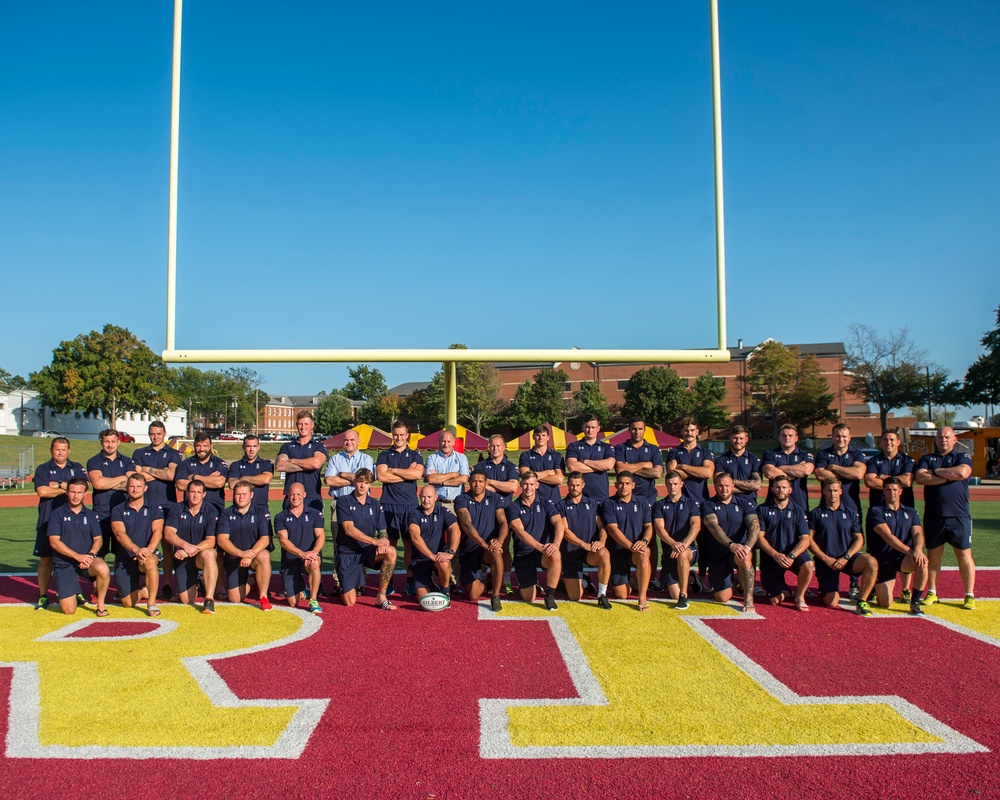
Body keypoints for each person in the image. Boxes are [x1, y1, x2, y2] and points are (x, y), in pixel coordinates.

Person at [914, 426, 976, 609]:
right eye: (940, 437)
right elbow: (920, 477)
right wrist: (948, 475)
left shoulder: (962, 457)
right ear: (936, 439)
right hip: (934, 516)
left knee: (964, 555)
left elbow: (962, 473)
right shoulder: (927, 458)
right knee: (934, 556)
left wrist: (935, 472)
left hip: (959, 515)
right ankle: (932, 592)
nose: (944, 440)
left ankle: (969, 595)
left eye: (947, 437)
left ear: (954, 439)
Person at [808, 479, 877, 616]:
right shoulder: (815, 513)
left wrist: (846, 557)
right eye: (829, 490)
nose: (832, 494)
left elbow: (859, 539)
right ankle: (826, 588)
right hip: (826, 560)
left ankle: (862, 600)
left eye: (835, 490)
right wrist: (825, 558)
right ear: (823, 492)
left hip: (847, 558)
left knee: (871, 562)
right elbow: (808, 539)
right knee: (831, 602)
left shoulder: (851, 513)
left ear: (840, 491)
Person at [132, 420, 183, 600]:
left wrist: (147, 470)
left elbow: (170, 475)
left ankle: (168, 583)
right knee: (144, 546)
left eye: (158, 434)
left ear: (164, 433)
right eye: (152, 433)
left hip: (168, 505)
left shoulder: (173, 453)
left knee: (167, 548)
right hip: (145, 506)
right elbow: (136, 478)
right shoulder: (139, 452)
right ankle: (144, 583)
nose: (155, 437)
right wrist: (157, 472)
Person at [32, 437, 85, 610]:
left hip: (73, 522)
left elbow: (84, 487)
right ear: (51, 450)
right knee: (46, 560)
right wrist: (68, 488)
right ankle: (42, 595)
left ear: (69, 451)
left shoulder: (76, 467)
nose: (60, 452)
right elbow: (42, 491)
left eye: (63, 449)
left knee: (73, 558)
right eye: (57, 449)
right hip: (47, 520)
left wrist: (57, 485)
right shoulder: (43, 468)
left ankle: (75, 591)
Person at [864, 428, 916, 601]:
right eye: (885, 440)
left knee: (906, 546)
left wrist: (883, 477)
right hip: (878, 511)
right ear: (881, 442)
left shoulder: (907, 460)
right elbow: (869, 481)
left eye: (892, 440)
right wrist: (895, 480)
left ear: (898, 442)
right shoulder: (873, 460)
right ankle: (872, 585)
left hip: (903, 510)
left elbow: (907, 481)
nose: (889, 443)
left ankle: (906, 589)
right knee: (875, 548)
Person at [334, 468, 397, 611]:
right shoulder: (343, 501)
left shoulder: (375, 504)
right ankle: (347, 583)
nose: (363, 486)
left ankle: (381, 596)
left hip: (366, 551)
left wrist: (384, 540)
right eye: (360, 482)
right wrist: (374, 542)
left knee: (391, 551)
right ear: (354, 482)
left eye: (366, 483)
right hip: (347, 553)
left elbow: (382, 531)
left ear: (370, 485)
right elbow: (349, 529)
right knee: (349, 602)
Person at [47, 477, 111, 616]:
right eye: (72, 492)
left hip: (87, 560)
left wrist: (90, 555)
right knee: (69, 611)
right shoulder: (57, 514)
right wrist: (77, 557)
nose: (76, 496)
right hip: (65, 564)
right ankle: (73, 589)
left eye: (79, 492)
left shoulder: (91, 515)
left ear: (85, 494)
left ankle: (100, 604)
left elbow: (98, 539)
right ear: (67, 492)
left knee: (103, 568)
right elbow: (54, 542)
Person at [375, 421, 424, 596]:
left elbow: (417, 474)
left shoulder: (415, 455)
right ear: (392, 434)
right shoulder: (384, 455)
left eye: (402, 435)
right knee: (389, 546)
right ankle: (388, 582)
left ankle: (411, 581)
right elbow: (381, 475)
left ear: (407, 435)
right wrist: (405, 474)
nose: (399, 438)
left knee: (410, 546)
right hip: (388, 506)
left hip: (410, 506)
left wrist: (393, 471)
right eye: (396, 434)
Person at [866, 477, 928, 615]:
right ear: (883, 491)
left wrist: (918, 550)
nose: (891, 493)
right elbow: (888, 537)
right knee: (885, 604)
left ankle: (915, 602)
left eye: (894, 490)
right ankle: (873, 587)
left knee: (922, 563)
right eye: (888, 490)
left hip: (903, 558)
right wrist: (911, 552)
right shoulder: (875, 511)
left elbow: (918, 533)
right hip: (884, 560)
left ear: (900, 491)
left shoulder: (911, 512)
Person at [324, 428, 374, 595]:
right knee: (340, 545)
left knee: (362, 543)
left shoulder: (367, 458)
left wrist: (343, 474)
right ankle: (339, 582)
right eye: (346, 440)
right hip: (339, 504)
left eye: (352, 440)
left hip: (361, 505)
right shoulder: (335, 458)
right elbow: (329, 480)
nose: (349, 442)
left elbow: (366, 480)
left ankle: (359, 582)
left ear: (358, 441)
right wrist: (353, 479)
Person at [700, 473, 759, 612]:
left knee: (745, 557)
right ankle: (735, 579)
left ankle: (748, 598)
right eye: (720, 486)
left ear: (733, 486)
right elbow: (712, 525)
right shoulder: (707, 504)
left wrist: (748, 547)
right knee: (722, 597)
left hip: (738, 551)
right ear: (715, 486)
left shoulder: (745, 504)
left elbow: (754, 525)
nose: (724, 489)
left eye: (727, 486)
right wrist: (730, 544)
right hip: (718, 554)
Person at [552, 472, 612, 609]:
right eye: (572, 485)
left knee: (604, 553)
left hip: (589, 552)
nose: (575, 488)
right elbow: (565, 531)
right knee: (575, 597)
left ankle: (602, 595)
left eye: (578, 485)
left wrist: (602, 541)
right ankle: (582, 580)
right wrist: (583, 544)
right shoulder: (560, 505)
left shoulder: (593, 503)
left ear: (583, 485)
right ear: (567, 485)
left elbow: (602, 527)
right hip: (571, 553)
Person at [755, 475, 814, 611]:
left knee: (808, 564)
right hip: (771, 557)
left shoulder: (798, 511)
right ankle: (783, 589)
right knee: (776, 600)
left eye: (784, 487)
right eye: (777, 487)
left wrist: (792, 556)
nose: (780, 490)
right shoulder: (762, 509)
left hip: (792, 554)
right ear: (772, 489)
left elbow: (805, 539)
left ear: (790, 490)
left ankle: (800, 597)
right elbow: (759, 537)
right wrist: (775, 555)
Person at [505, 471, 561, 610]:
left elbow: (559, 523)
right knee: (529, 598)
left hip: (542, 552)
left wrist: (556, 544)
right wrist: (540, 546)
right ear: (520, 485)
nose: (528, 488)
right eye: (525, 484)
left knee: (555, 554)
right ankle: (531, 583)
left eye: (531, 484)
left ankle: (550, 596)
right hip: (524, 553)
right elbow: (520, 532)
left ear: (537, 485)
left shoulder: (546, 502)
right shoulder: (513, 507)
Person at [162, 480, 220, 614]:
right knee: (186, 599)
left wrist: (190, 551)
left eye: (199, 492)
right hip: (182, 556)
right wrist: (185, 545)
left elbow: (211, 541)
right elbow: (168, 533)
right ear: (186, 493)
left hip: (199, 555)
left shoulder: (211, 511)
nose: (195, 495)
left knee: (210, 553)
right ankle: (198, 583)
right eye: (192, 492)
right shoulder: (176, 508)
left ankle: (209, 599)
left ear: (204, 494)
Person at [454, 469, 508, 610]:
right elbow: (467, 524)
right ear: (469, 483)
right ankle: (488, 580)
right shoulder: (461, 499)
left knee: (497, 552)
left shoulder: (495, 498)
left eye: (480, 481)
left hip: (488, 549)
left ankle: (495, 596)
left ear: (485, 483)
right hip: (469, 550)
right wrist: (484, 544)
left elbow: (503, 522)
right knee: (473, 596)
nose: (477, 484)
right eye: (474, 481)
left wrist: (499, 541)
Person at [109, 474, 162, 616]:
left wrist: (148, 551)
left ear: (145, 488)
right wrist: (136, 550)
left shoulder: (154, 508)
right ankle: (144, 590)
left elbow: (158, 531)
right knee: (128, 603)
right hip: (127, 557)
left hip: (147, 555)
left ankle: (151, 604)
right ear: (126, 488)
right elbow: (120, 534)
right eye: (131, 486)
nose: (135, 489)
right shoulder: (118, 510)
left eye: (138, 486)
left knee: (150, 562)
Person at [217, 481, 274, 610]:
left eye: (244, 494)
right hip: (235, 558)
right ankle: (251, 581)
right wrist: (241, 554)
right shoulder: (226, 513)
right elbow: (222, 540)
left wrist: (250, 554)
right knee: (235, 599)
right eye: (238, 494)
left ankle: (263, 597)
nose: (241, 497)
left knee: (264, 555)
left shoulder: (261, 511)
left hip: (254, 556)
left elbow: (265, 539)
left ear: (251, 495)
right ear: (233, 495)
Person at [600, 473, 653, 611]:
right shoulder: (608, 503)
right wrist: (630, 546)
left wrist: (644, 541)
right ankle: (630, 580)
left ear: (633, 485)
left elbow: (649, 526)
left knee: (644, 554)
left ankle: (642, 597)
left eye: (627, 483)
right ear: (616, 485)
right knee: (621, 595)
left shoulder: (643, 503)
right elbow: (612, 530)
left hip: (636, 551)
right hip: (617, 552)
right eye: (621, 483)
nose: (624, 486)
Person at [652, 470, 701, 609]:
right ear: (665, 485)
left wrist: (683, 545)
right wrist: (673, 543)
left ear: (681, 484)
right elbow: (659, 529)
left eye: (675, 484)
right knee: (673, 594)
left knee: (682, 554)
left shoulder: (691, 504)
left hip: (688, 549)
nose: (673, 487)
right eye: (669, 484)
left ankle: (683, 596)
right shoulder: (659, 505)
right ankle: (690, 578)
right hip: (669, 551)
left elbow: (696, 526)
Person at [478, 434, 520, 595]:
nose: (495, 448)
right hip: (483, 512)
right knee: (482, 546)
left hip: (504, 513)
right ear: (488, 447)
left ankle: (507, 581)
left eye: (498, 445)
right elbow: (478, 487)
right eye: (492, 446)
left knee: (504, 548)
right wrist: (500, 487)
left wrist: (490, 483)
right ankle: (483, 578)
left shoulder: (510, 466)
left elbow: (513, 487)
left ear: (504, 447)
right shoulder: (482, 465)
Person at [274, 483, 324, 614]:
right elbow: (283, 541)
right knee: (292, 602)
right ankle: (304, 591)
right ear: (287, 496)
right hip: (291, 560)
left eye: (298, 494)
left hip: (308, 558)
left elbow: (321, 536)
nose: (295, 497)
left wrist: (313, 553)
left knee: (314, 562)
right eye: (292, 494)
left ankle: (313, 599)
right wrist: (302, 554)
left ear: (304, 495)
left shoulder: (315, 514)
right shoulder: (280, 517)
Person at [87, 428, 136, 558]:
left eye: (113, 441)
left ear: (118, 442)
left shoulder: (127, 461)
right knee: (98, 554)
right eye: (106, 441)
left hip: (123, 514)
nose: (110, 445)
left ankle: (119, 578)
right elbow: (98, 483)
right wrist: (122, 478)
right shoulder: (94, 461)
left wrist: (107, 483)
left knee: (122, 555)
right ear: (101, 442)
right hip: (101, 514)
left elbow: (132, 486)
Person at [409, 485, 461, 600]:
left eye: (429, 497)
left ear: (435, 497)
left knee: (444, 562)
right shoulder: (414, 513)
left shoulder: (443, 511)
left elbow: (455, 530)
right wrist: (430, 555)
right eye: (423, 497)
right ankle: (432, 586)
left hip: (438, 557)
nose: (426, 500)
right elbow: (415, 537)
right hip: (421, 560)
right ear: (419, 497)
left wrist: (450, 552)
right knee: (423, 600)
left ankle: (445, 592)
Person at [275, 411, 328, 513]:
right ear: (296, 425)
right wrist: (308, 465)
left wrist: (293, 461)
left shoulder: (318, 446)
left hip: (312, 496)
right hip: (291, 497)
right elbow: (280, 466)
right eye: (300, 424)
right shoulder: (287, 446)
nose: (303, 427)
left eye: (306, 424)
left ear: (312, 425)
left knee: (314, 528)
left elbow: (316, 463)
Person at [814, 423, 867, 515]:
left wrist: (834, 467)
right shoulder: (823, 454)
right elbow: (820, 475)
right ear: (833, 437)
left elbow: (858, 474)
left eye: (844, 436)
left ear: (849, 437)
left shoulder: (857, 454)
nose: (841, 439)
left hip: (851, 505)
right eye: (838, 436)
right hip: (827, 506)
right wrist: (848, 473)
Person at [761, 423, 815, 512]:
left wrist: (779, 468)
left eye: (790, 435)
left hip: (799, 503)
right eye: (784, 435)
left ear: (796, 438)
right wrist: (795, 472)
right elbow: (769, 473)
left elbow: (806, 470)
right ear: (779, 437)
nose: (787, 438)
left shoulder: (805, 455)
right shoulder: (770, 453)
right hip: (774, 503)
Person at [665, 417, 716, 504]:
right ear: (681, 431)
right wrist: (698, 472)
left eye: (692, 430)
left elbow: (708, 473)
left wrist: (683, 467)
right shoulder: (674, 452)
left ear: (697, 432)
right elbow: (672, 475)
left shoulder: (705, 452)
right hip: (679, 501)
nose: (689, 433)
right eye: (686, 430)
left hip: (701, 500)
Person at [565, 414, 616, 501]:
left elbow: (609, 465)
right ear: (583, 427)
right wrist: (600, 467)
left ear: (598, 429)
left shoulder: (606, 447)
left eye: (593, 427)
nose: (590, 430)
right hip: (579, 497)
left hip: (601, 496)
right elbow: (573, 467)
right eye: (588, 427)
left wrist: (583, 461)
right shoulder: (574, 446)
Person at [175, 432, 228, 511]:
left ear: (211, 446)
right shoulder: (185, 464)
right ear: (194, 446)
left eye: (205, 446)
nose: (202, 449)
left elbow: (219, 483)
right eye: (198, 445)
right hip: (191, 511)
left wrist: (194, 477)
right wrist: (209, 480)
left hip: (216, 510)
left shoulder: (219, 463)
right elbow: (180, 485)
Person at [518, 426, 565, 506]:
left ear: (548, 437)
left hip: (553, 501)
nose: (540, 438)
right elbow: (525, 475)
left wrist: (533, 475)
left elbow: (559, 479)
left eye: (543, 435)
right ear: (533, 437)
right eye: (538, 435)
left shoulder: (556, 456)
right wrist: (548, 472)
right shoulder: (525, 455)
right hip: (532, 501)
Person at [715, 425, 762, 504]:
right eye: (735, 438)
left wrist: (733, 482)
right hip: (728, 503)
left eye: (741, 438)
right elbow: (719, 487)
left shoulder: (754, 459)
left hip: (749, 502)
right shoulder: (721, 460)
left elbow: (757, 485)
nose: (738, 441)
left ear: (746, 439)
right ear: (730, 438)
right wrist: (748, 488)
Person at [227, 434, 274, 510]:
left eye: (254, 446)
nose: (251, 449)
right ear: (243, 447)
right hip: (240, 510)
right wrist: (256, 480)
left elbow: (265, 479)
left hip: (261, 509)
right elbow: (232, 484)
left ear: (258, 447)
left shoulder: (266, 463)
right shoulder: (235, 465)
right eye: (248, 446)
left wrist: (242, 479)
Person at [424, 430, 470, 507]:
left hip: (456, 504)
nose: (446, 444)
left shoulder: (461, 458)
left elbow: (464, 479)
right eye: (443, 441)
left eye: (449, 441)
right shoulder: (432, 458)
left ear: (453, 442)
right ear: (439, 441)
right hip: (437, 503)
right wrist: (453, 474)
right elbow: (431, 479)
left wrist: (441, 481)